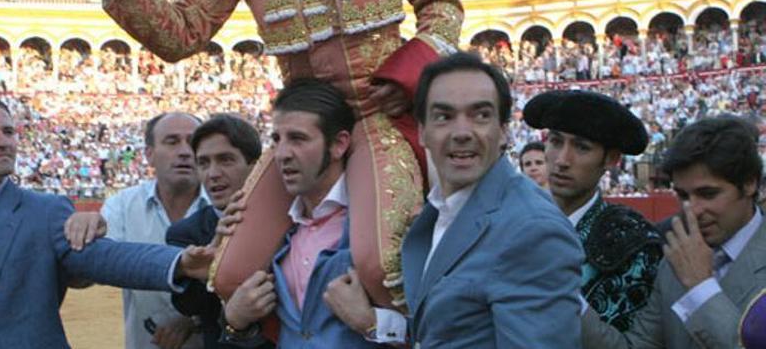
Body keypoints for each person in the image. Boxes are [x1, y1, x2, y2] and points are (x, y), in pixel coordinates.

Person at [42, 0, 464, 309]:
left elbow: (441, 4)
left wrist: (406, 76)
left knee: (382, 266)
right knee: (230, 273)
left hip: (378, 116)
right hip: (301, 132)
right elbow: (181, 34)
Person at [0, 93, 197, 348]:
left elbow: (105, 258)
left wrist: (179, 263)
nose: (3, 141)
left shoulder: (46, 211)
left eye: (8, 132)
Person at [400, 53, 584, 347]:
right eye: (444, 116)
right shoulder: (441, 209)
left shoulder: (532, 230)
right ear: (422, 132)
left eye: (481, 115)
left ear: (503, 132)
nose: (462, 132)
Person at [216, 79, 405, 347]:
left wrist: (372, 322)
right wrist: (234, 321)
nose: (282, 154)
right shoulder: (274, 235)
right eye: (277, 139)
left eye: (298, 139)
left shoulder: (379, 226)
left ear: (339, 144)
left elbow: (439, 329)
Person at [582, 115, 766, 348]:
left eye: (708, 194)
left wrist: (701, 287)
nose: (693, 210)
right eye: (683, 196)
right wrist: (568, 298)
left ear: (750, 184)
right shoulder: (674, 261)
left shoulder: (684, 262)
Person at [65, 112, 210, 349]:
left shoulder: (225, 206)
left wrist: (194, 319)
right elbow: (85, 278)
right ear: (149, 155)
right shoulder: (121, 206)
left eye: (193, 142)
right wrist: (82, 240)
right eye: (172, 142)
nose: (185, 151)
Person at [523, 90, 663, 332]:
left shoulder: (635, 243)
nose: (562, 160)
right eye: (556, 142)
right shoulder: (513, 224)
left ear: (611, 159)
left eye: (582, 147)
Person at [165, 113, 272, 349]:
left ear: (255, 167)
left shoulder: (293, 217)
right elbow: (188, 306)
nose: (212, 173)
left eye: (225, 160)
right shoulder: (185, 233)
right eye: (203, 163)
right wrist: (217, 254)